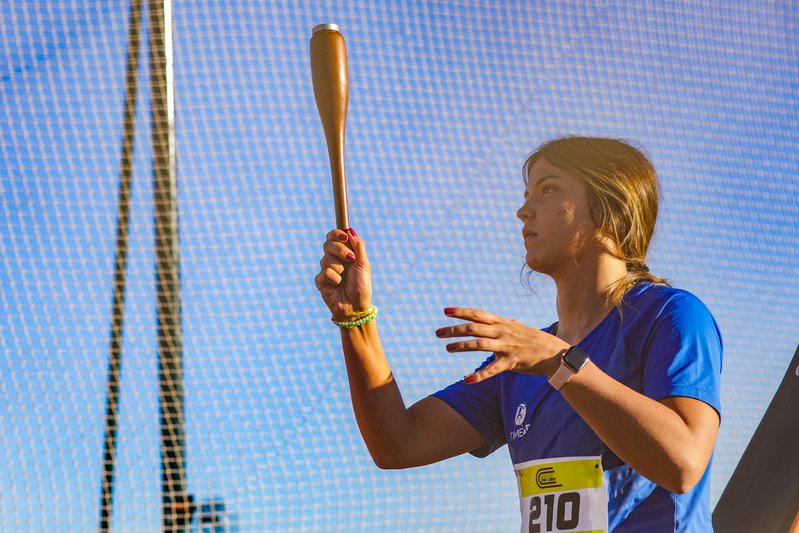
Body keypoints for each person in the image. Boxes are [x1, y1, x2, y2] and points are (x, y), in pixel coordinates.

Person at [314, 136, 722, 532]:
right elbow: (399, 444)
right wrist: (357, 318)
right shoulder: (521, 363)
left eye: (549, 189)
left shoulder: (670, 315)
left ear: (611, 209)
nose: (523, 212)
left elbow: (683, 462)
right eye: (527, 195)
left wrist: (560, 363)